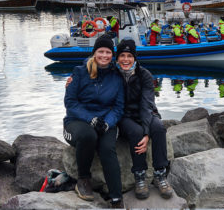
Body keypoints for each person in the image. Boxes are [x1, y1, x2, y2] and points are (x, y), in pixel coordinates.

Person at [63, 35, 125, 208]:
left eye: (108, 52)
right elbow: (71, 103)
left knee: (107, 148)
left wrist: (107, 123)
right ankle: (83, 180)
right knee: (88, 136)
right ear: (94, 53)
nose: (104, 55)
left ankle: (116, 197)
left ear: (112, 55)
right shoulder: (79, 72)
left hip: (106, 121)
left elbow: (118, 107)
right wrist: (91, 119)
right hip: (77, 121)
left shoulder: (116, 76)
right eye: (101, 51)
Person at [115, 39, 173, 200]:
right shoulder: (112, 74)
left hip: (145, 112)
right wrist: (73, 78)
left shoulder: (144, 74)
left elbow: (147, 104)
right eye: (122, 56)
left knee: (159, 128)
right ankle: (139, 176)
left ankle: (160, 174)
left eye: (129, 56)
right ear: (117, 58)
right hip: (124, 116)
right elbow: (92, 63)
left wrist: (147, 133)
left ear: (135, 58)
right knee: (135, 132)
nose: (126, 59)